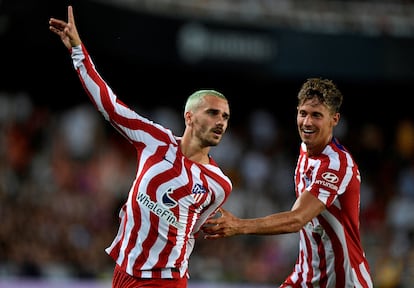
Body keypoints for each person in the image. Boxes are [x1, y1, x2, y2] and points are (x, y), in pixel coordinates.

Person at [49, 5, 232, 288]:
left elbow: (192, 231)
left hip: (164, 281)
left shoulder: (220, 185)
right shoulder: (154, 139)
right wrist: (77, 51)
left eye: (225, 116)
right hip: (124, 270)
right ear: (189, 117)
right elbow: (109, 106)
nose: (221, 121)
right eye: (213, 113)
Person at [202, 78, 374, 287]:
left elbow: (296, 219)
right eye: (303, 113)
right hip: (306, 278)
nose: (307, 122)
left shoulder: (336, 165)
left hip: (343, 282)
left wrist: (239, 225)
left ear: (334, 119)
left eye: (317, 115)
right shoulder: (305, 151)